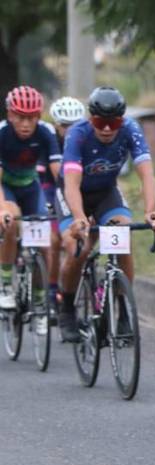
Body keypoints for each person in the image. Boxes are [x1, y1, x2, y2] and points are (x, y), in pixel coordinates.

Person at [56, 86, 155, 342]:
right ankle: (67, 308)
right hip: (74, 194)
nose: (106, 129)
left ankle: (123, 308)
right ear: (90, 119)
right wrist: (79, 217)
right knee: (76, 249)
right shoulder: (77, 135)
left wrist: (150, 211)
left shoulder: (130, 130)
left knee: (122, 236)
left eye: (112, 122)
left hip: (105, 193)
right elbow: (71, 184)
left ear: (121, 120)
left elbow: (147, 174)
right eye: (100, 122)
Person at [0, 86, 61, 333]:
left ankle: (39, 300)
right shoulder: (3, 133)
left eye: (32, 118)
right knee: (11, 221)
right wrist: (2, 207)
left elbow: (59, 172)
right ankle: (5, 283)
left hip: (31, 187)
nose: (26, 124)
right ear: (10, 114)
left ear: (39, 116)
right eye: (20, 117)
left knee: (44, 242)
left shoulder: (45, 132)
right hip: (7, 187)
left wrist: (71, 203)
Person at [39, 97, 87, 312]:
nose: (70, 130)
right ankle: (51, 289)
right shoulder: (48, 141)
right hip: (49, 190)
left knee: (81, 240)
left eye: (75, 125)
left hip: (75, 190)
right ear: (57, 125)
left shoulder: (84, 140)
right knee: (53, 241)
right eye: (65, 126)